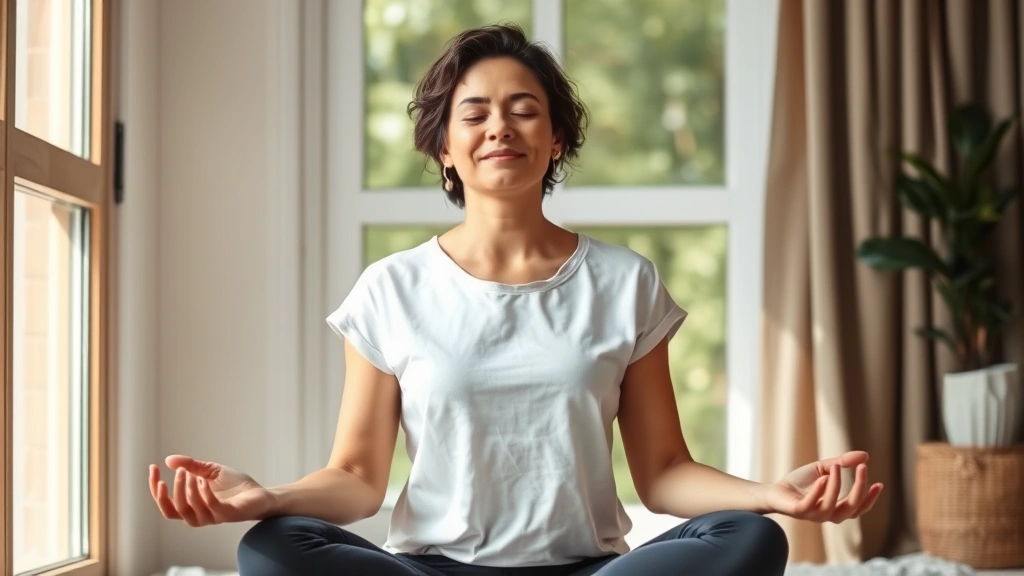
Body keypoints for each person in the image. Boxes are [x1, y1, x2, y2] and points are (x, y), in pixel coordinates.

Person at [149, 23, 883, 576]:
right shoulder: (391, 288)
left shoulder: (624, 281)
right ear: (443, 146)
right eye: (474, 114)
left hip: (588, 570)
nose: (500, 126)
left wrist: (771, 496)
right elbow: (358, 479)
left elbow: (662, 473)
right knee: (272, 548)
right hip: (434, 569)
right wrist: (267, 498)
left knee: (752, 539)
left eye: (524, 109)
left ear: (557, 138)